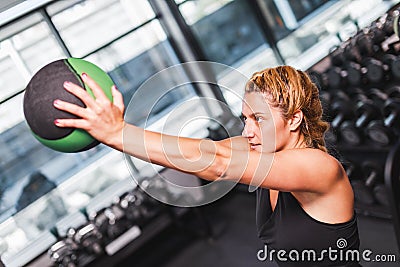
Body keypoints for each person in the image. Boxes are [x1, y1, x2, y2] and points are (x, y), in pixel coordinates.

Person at [53, 66, 360, 266]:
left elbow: (218, 165)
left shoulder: (319, 167)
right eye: (246, 118)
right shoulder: (260, 148)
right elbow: (201, 154)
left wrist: (117, 132)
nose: (247, 130)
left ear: (294, 119)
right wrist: (117, 136)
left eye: (260, 119)